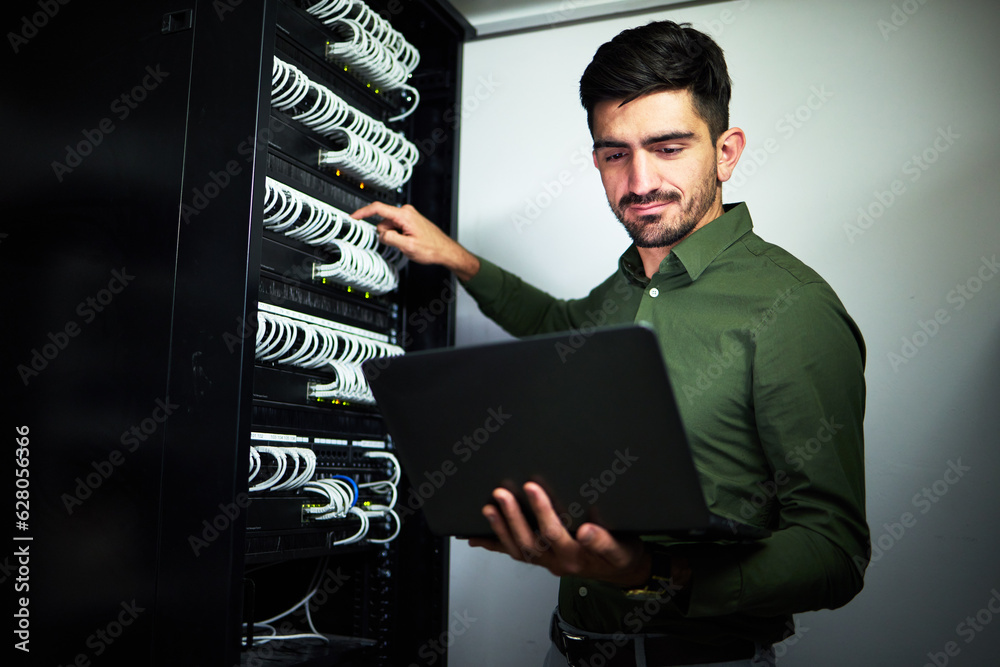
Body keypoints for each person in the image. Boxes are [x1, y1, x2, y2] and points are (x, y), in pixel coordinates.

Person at [353, 20, 868, 667]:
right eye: (614, 153)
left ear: (727, 151)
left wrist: (653, 571)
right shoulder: (626, 285)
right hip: (567, 648)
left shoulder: (794, 309)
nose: (639, 181)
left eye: (669, 147)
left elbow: (835, 551)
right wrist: (458, 259)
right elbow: (559, 328)